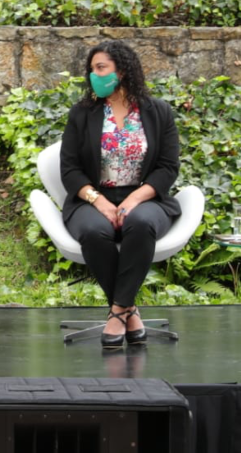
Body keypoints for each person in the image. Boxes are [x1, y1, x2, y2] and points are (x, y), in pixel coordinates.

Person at [60, 40, 181, 348]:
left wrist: (134, 199)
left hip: (146, 198)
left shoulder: (159, 112)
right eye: (91, 70)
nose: (94, 76)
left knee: (139, 223)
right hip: (92, 197)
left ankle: (116, 313)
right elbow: (70, 169)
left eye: (101, 68)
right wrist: (98, 201)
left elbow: (167, 167)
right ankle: (129, 310)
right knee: (93, 230)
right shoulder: (81, 114)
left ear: (123, 70)